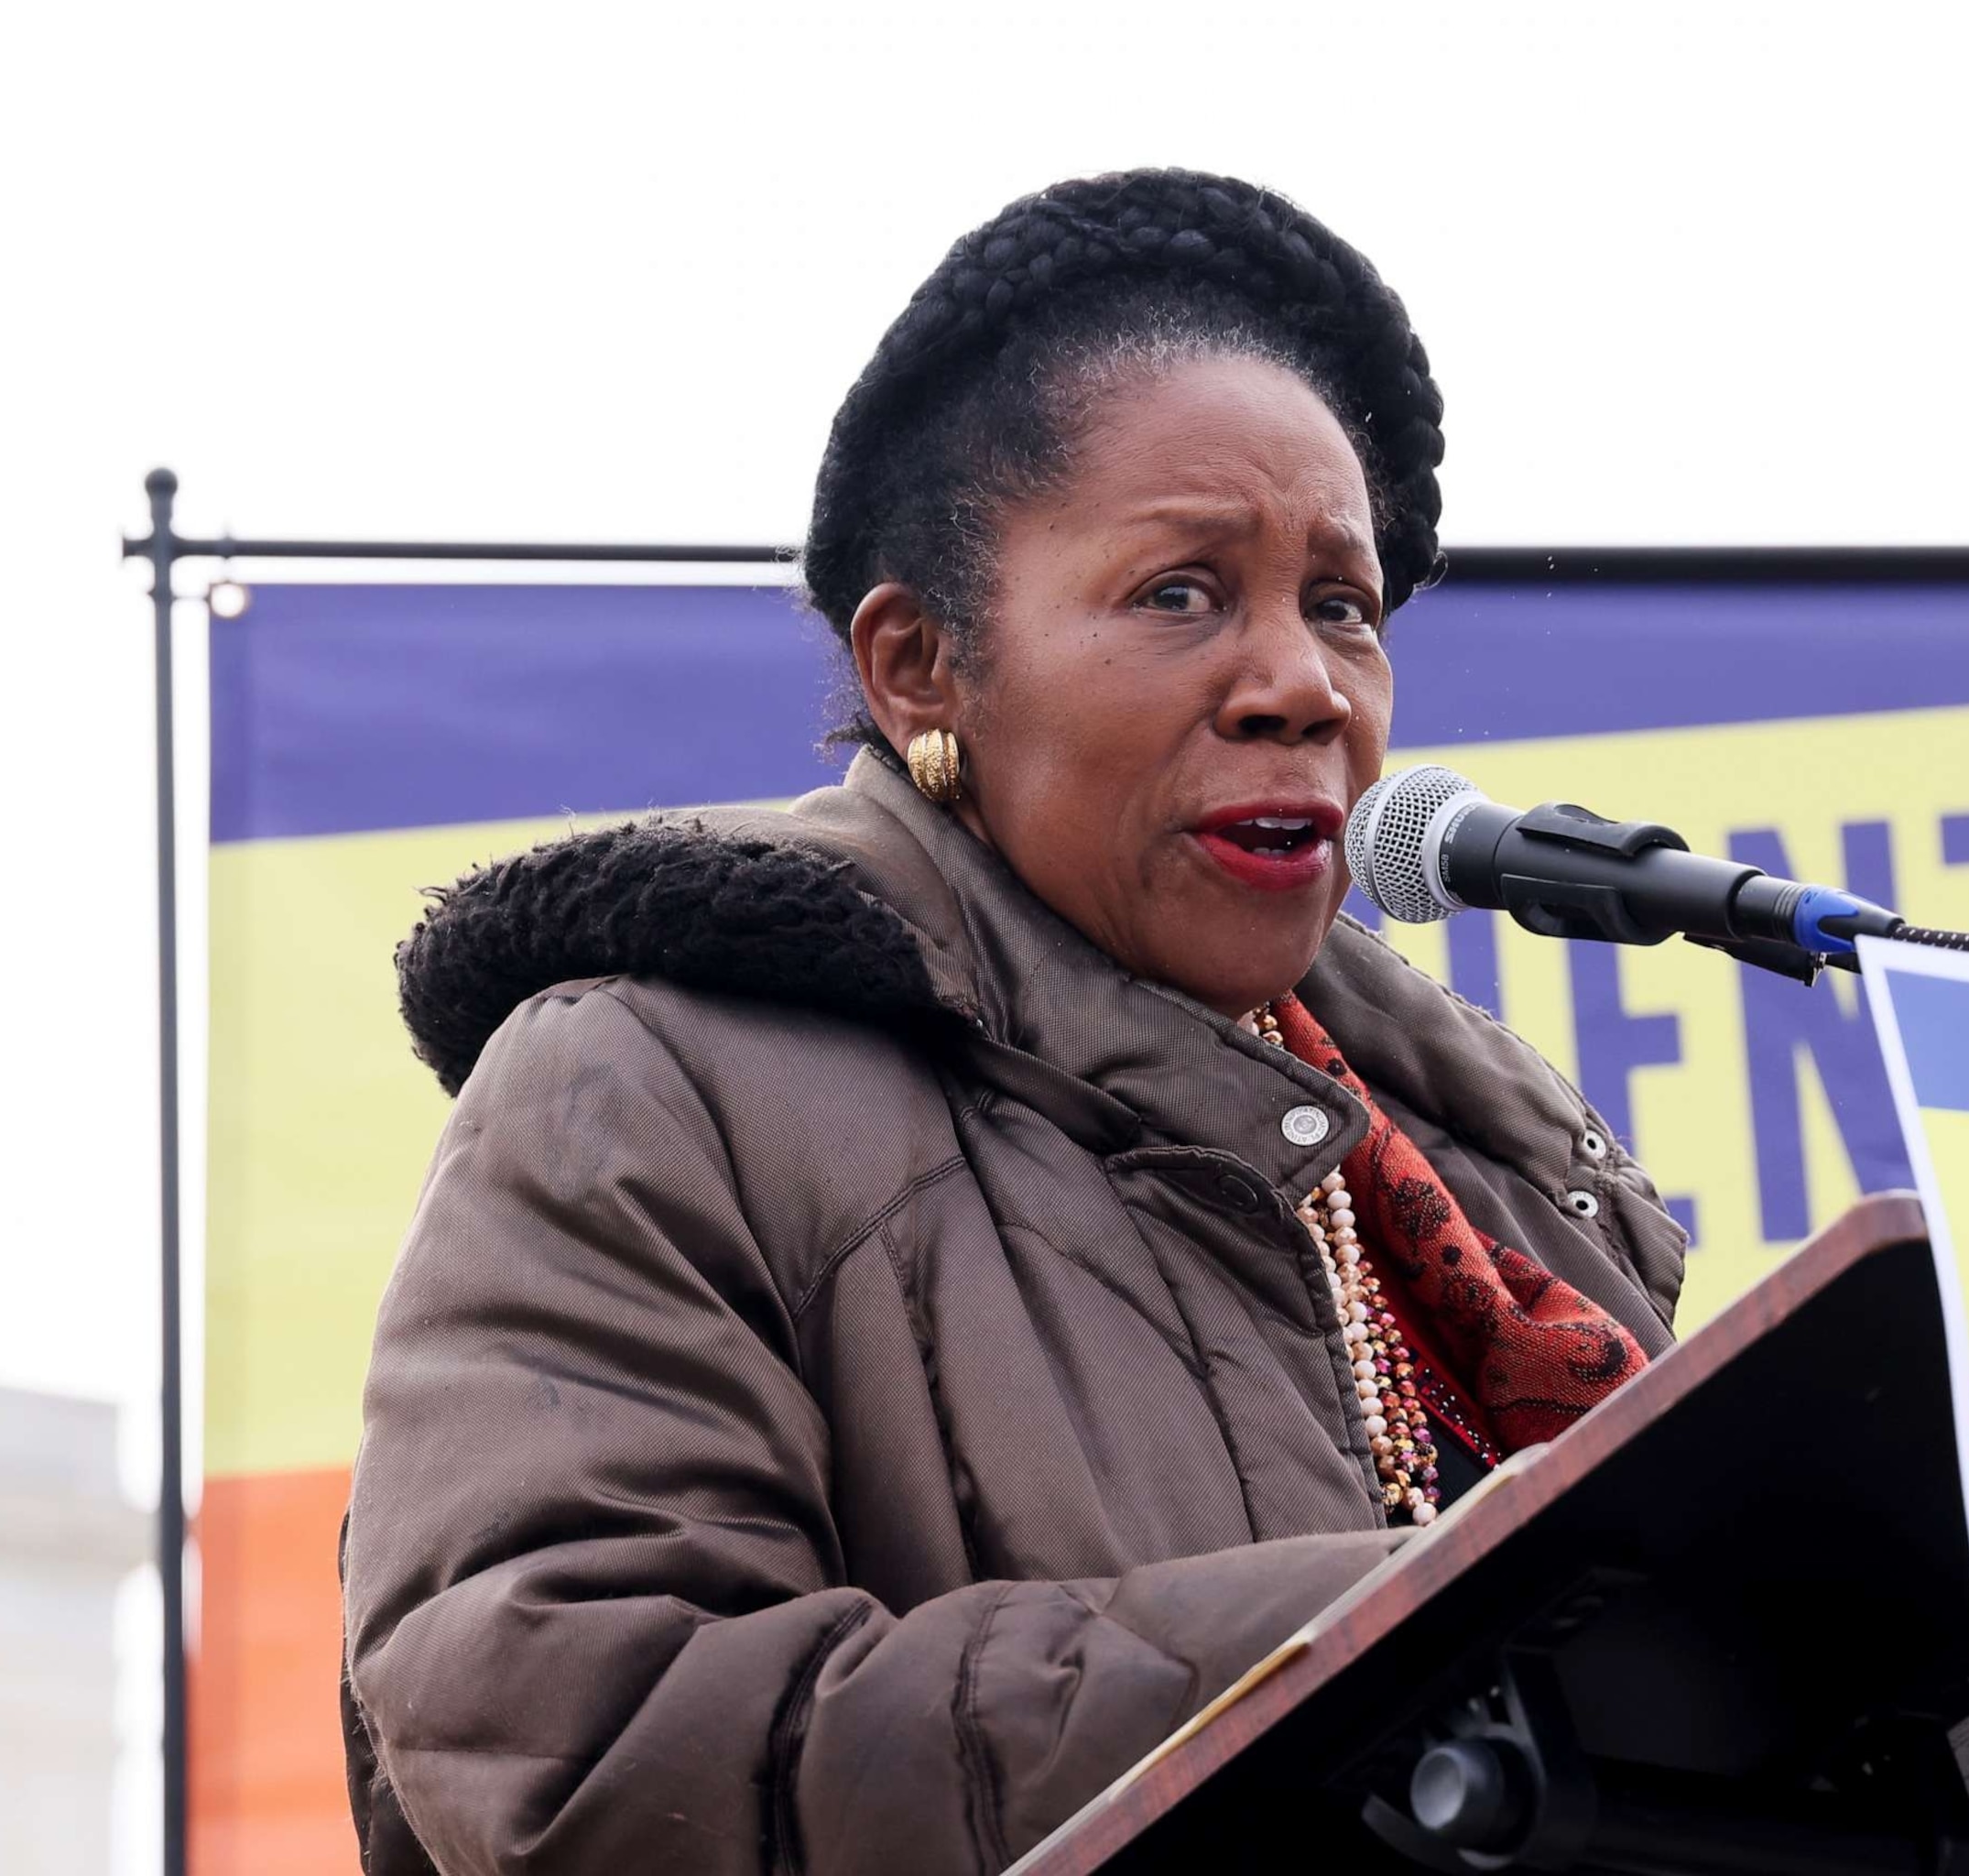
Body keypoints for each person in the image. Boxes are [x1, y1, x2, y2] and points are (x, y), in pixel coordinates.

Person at [342, 169, 1687, 1876]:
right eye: (1182, 594)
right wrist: (1385, 1643)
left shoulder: (1507, 1203)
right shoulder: (651, 1087)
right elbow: (584, 1748)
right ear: (921, 670)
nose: (1306, 686)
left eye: (1341, 606)